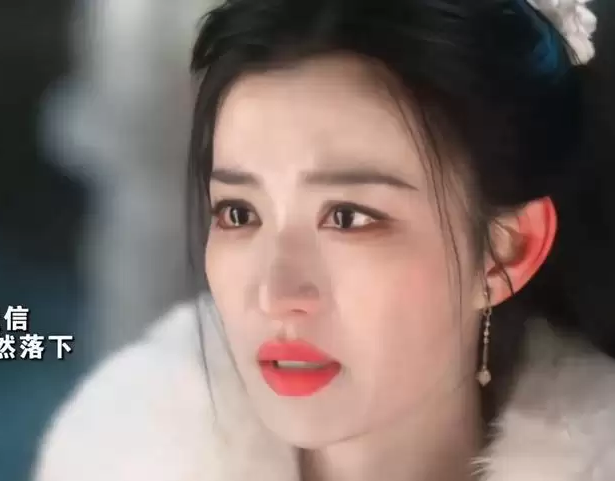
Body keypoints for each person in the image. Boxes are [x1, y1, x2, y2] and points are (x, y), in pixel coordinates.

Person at [33, 0, 615, 480]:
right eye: (238, 212)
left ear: (504, 252)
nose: (275, 292)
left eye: (347, 217)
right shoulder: (126, 457)